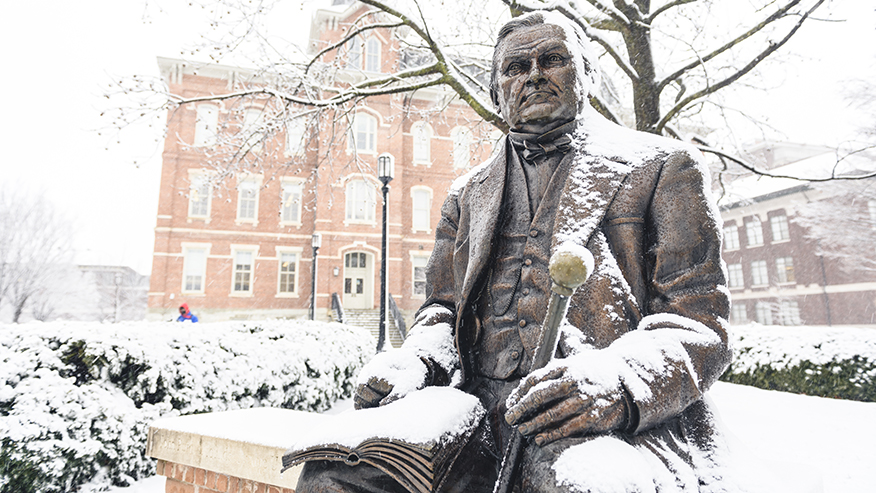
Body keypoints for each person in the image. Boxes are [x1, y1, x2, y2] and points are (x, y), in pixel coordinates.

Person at [299, 10, 730, 493]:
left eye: (553, 60)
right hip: (475, 412)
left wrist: (616, 385)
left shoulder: (664, 168)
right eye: (515, 67)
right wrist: (418, 361)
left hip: (590, 415)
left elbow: (699, 322)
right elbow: (442, 310)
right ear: (497, 92)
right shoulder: (466, 195)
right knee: (333, 475)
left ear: (585, 73)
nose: (534, 75)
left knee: (578, 484)